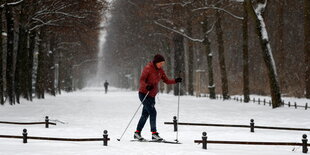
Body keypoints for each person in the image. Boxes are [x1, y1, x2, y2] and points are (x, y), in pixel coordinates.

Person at [134, 54, 182, 141]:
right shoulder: (148, 68)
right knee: (153, 112)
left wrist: (175, 80)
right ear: (156, 62)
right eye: (160, 63)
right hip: (144, 94)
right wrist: (147, 86)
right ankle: (154, 133)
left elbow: (166, 81)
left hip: (152, 95)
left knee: (145, 114)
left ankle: (137, 133)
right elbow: (142, 80)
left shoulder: (160, 71)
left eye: (163, 63)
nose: (161, 65)